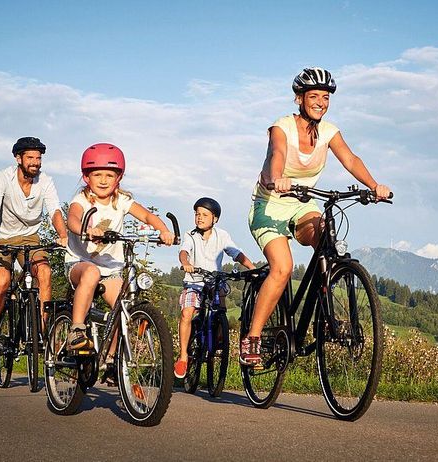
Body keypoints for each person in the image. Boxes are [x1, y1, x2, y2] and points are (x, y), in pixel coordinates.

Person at [241, 67, 392, 366]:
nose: (321, 102)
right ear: (299, 99)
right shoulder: (281, 127)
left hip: (301, 204)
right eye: (314, 96)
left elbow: (350, 159)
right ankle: (253, 337)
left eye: (326, 97)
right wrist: (277, 178)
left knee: (328, 240)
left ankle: (324, 314)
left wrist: (374, 186)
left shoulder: (328, 131)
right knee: (282, 268)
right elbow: (278, 156)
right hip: (270, 204)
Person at [63, 143, 175, 353]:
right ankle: (76, 330)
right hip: (79, 263)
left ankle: (112, 358)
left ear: (119, 178)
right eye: (97, 175)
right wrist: (87, 230)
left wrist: (163, 230)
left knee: (120, 308)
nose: (104, 180)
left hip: (110, 269)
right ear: (86, 177)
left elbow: (147, 216)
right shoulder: (81, 200)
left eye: (109, 175)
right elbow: (73, 220)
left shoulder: (121, 201)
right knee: (91, 272)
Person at [0, 136, 69, 357]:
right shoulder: (3, 178)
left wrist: (63, 235)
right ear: (18, 158)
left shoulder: (46, 181)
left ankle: (40, 332)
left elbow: (55, 211)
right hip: (2, 238)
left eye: (38, 158)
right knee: (2, 282)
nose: (35, 162)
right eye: (30, 157)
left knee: (45, 273)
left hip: (30, 237)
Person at [175, 197, 256, 379]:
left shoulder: (223, 236)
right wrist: (186, 263)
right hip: (194, 281)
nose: (199, 218)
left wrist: (252, 269)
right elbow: (184, 251)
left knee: (220, 310)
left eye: (204, 215)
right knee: (187, 313)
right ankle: (183, 356)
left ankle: (219, 338)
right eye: (197, 214)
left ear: (215, 218)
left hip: (214, 281)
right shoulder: (190, 235)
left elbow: (236, 253)